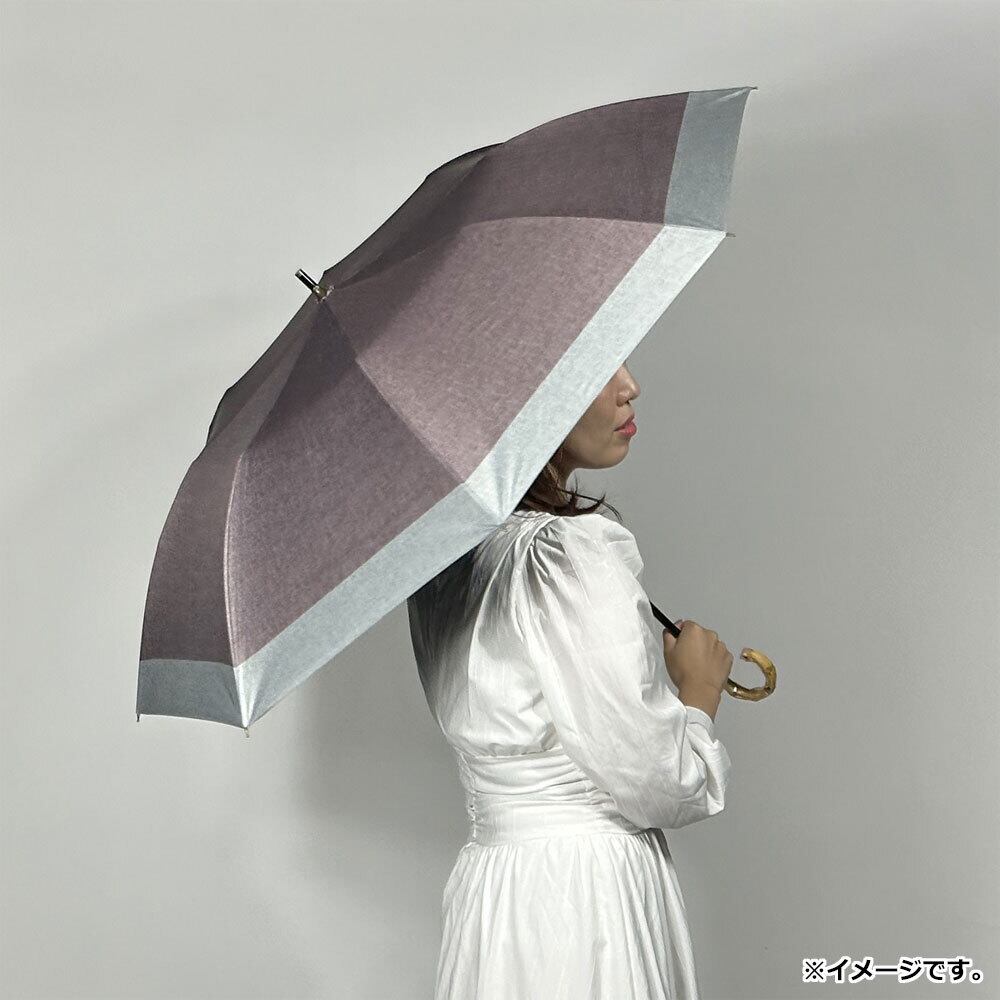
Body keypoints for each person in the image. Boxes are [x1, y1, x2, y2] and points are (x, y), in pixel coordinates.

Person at [406, 362, 734, 999]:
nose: (630, 387)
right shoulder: (568, 555)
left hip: (495, 894)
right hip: (587, 893)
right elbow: (662, 782)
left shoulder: (445, 560)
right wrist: (697, 694)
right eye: (596, 369)